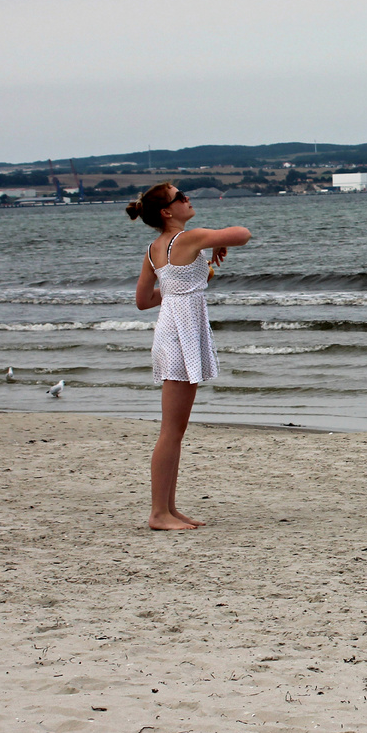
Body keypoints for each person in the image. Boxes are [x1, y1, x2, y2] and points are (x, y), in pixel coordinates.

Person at [128, 183, 251, 530]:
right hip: (181, 335)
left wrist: (198, 271)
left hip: (173, 330)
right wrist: (215, 239)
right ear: (167, 212)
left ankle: (168, 508)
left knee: (175, 429)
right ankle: (158, 513)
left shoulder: (155, 248)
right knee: (171, 430)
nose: (187, 198)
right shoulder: (188, 238)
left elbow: (145, 300)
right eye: (179, 196)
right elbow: (243, 233)